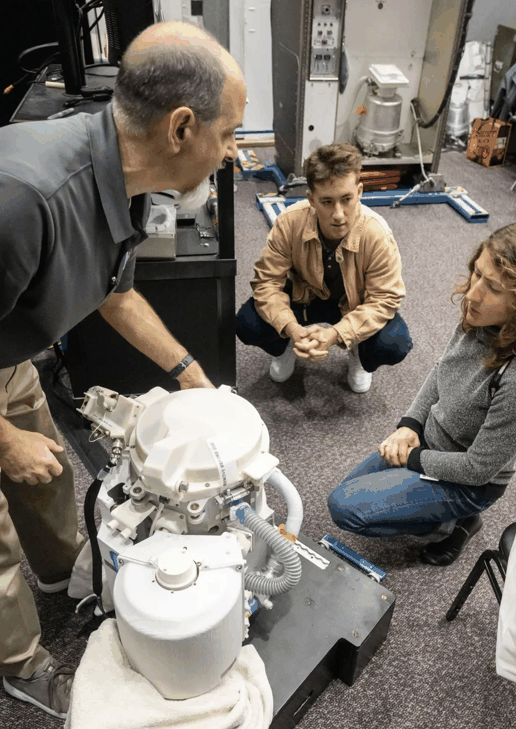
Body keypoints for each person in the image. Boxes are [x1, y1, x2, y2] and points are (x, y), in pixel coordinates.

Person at [0, 22, 246, 719]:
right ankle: (21, 665)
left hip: (9, 350)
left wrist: (192, 376)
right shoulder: (24, 201)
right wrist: (3, 440)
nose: (233, 152)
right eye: (229, 134)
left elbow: (117, 294)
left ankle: (62, 575)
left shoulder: (126, 177)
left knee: (49, 474)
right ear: (181, 127)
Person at [328, 221, 516, 565]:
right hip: (432, 441)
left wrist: (411, 459)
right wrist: (410, 425)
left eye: (493, 287)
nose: (472, 294)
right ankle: (433, 506)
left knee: (346, 509)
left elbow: (476, 469)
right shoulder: (482, 314)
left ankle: (451, 525)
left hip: (468, 482)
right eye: (477, 274)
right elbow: (443, 369)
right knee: (345, 492)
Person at [236, 143, 412, 393]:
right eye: (327, 201)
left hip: (353, 305)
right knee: (247, 322)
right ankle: (285, 346)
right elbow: (267, 284)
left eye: (346, 200)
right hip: (304, 301)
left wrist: (338, 334)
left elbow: (385, 298)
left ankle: (359, 352)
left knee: (394, 343)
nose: (338, 214)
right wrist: (291, 328)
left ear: (359, 192)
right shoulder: (289, 223)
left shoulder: (377, 234)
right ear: (311, 199)